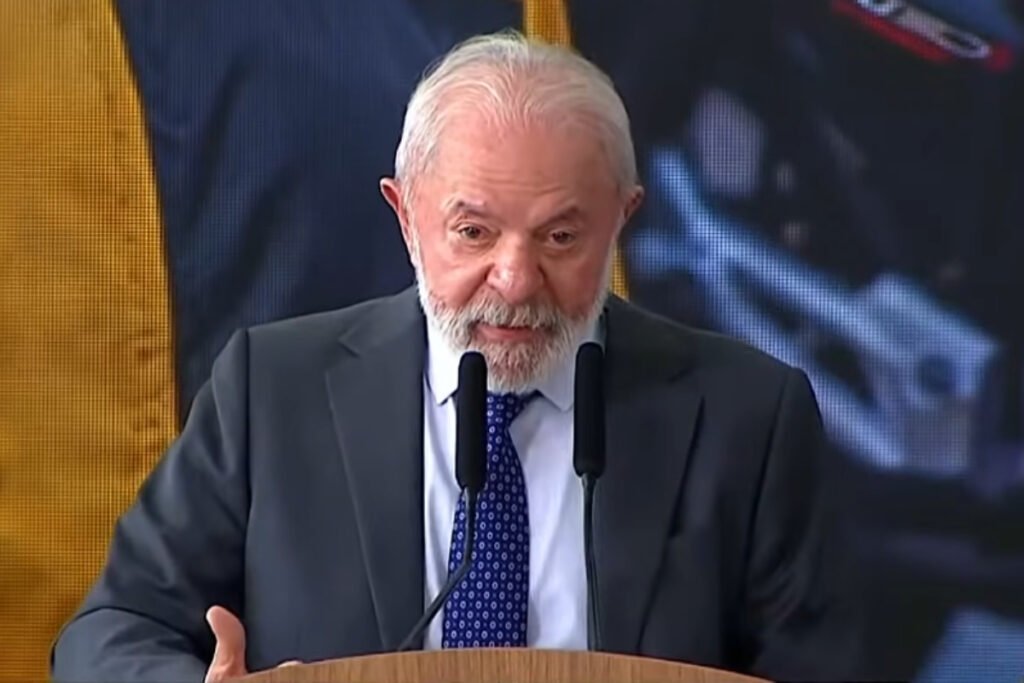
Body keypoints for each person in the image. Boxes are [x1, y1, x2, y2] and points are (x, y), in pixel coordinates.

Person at [51, 31, 864, 682]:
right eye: (473, 232)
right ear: (406, 217)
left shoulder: (747, 416)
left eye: (560, 237)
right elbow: (109, 634)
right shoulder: (270, 390)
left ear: (623, 218)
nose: (515, 279)